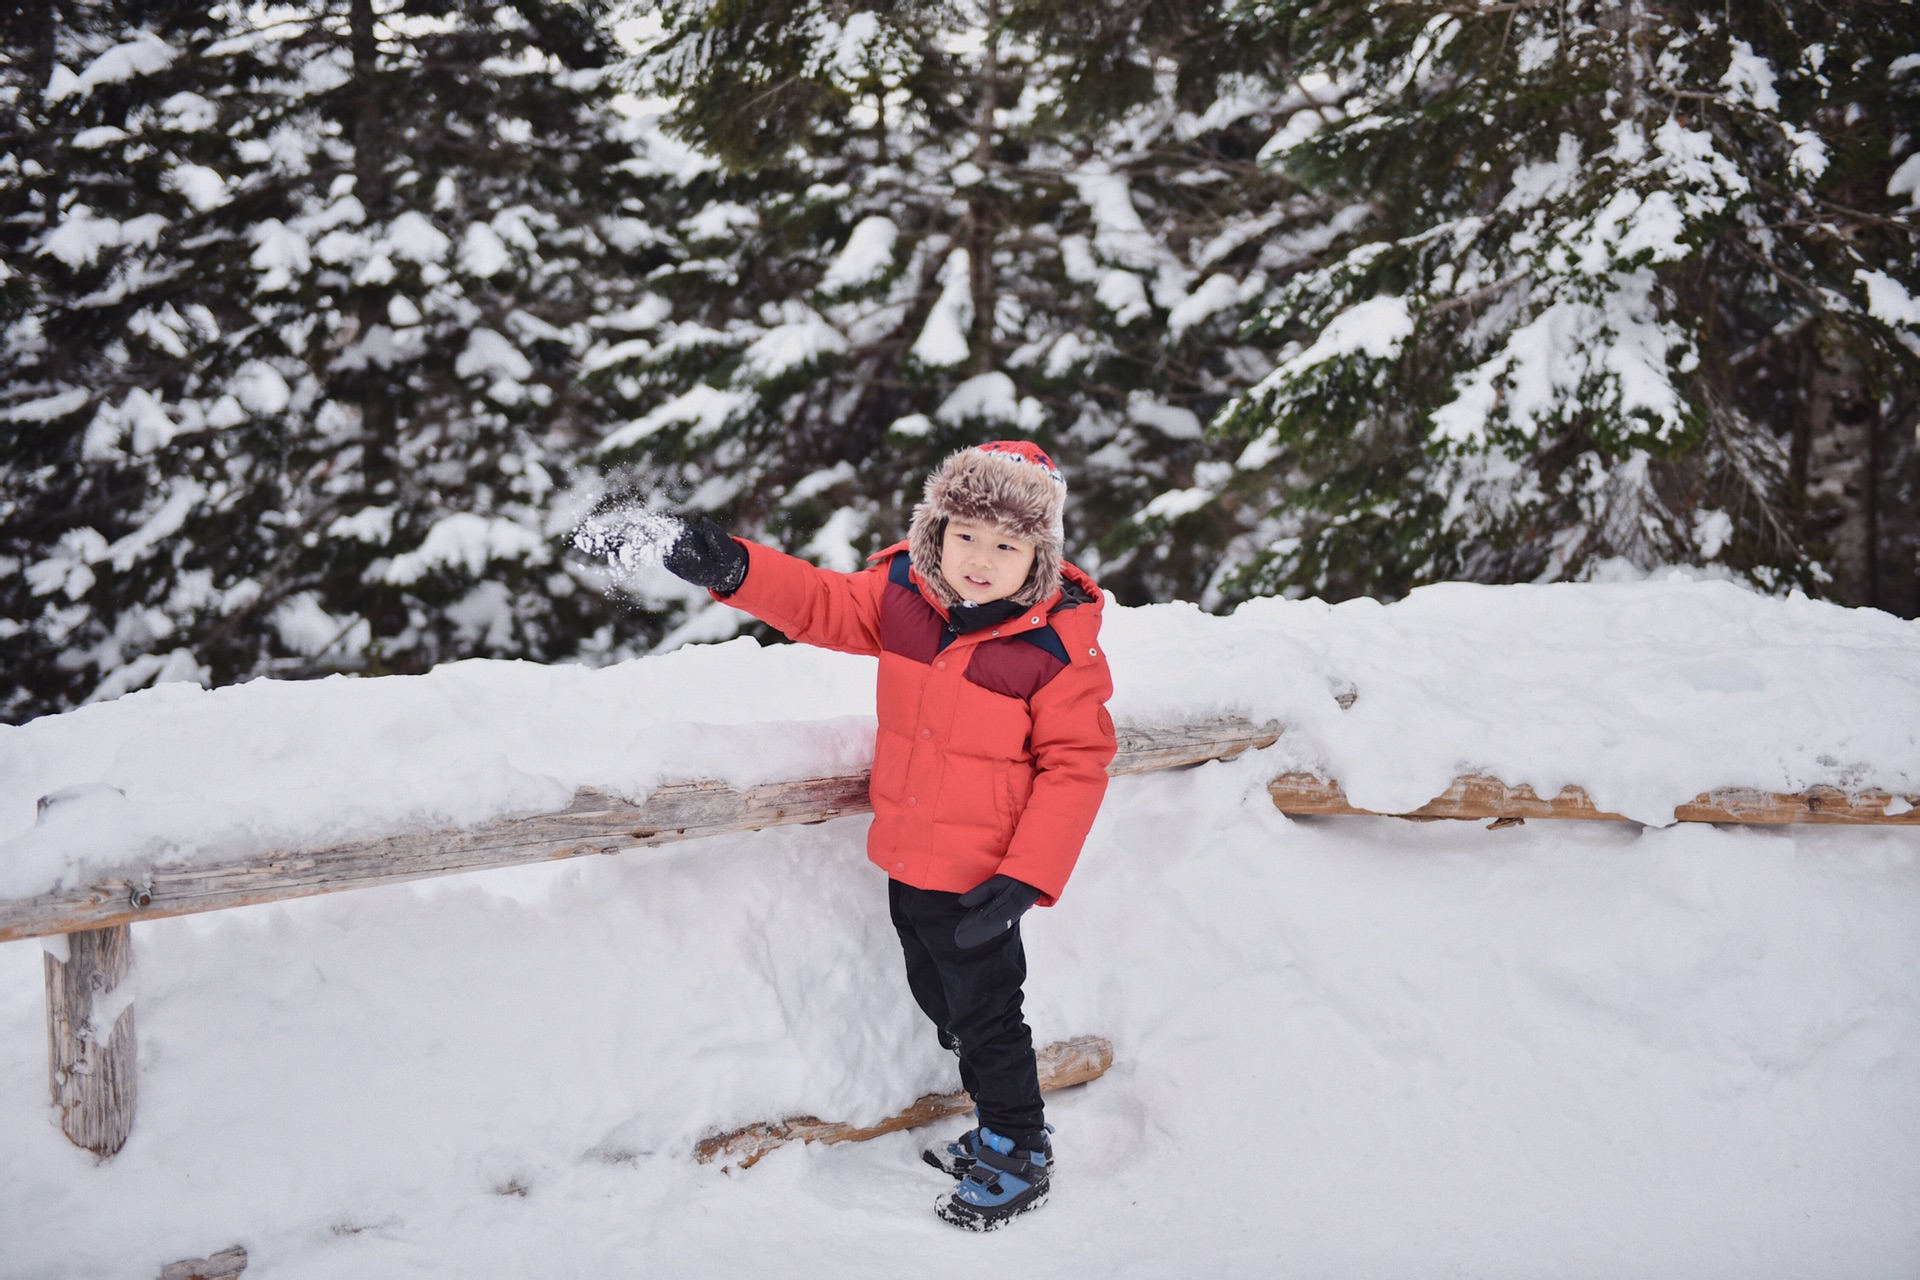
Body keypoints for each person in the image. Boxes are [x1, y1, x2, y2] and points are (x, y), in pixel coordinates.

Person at [660, 440, 1117, 1231]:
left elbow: (1078, 763)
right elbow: (821, 602)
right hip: (909, 858)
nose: (979, 560)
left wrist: (1023, 877)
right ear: (935, 529)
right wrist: (733, 568)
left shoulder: (1054, 646)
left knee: (988, 1015)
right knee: (942, 1000)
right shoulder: (907, 596)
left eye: (1006, 546)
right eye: (965, 535)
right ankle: (996, 1126)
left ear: (1038, 554)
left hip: (984, 871)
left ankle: (1019, 1148)